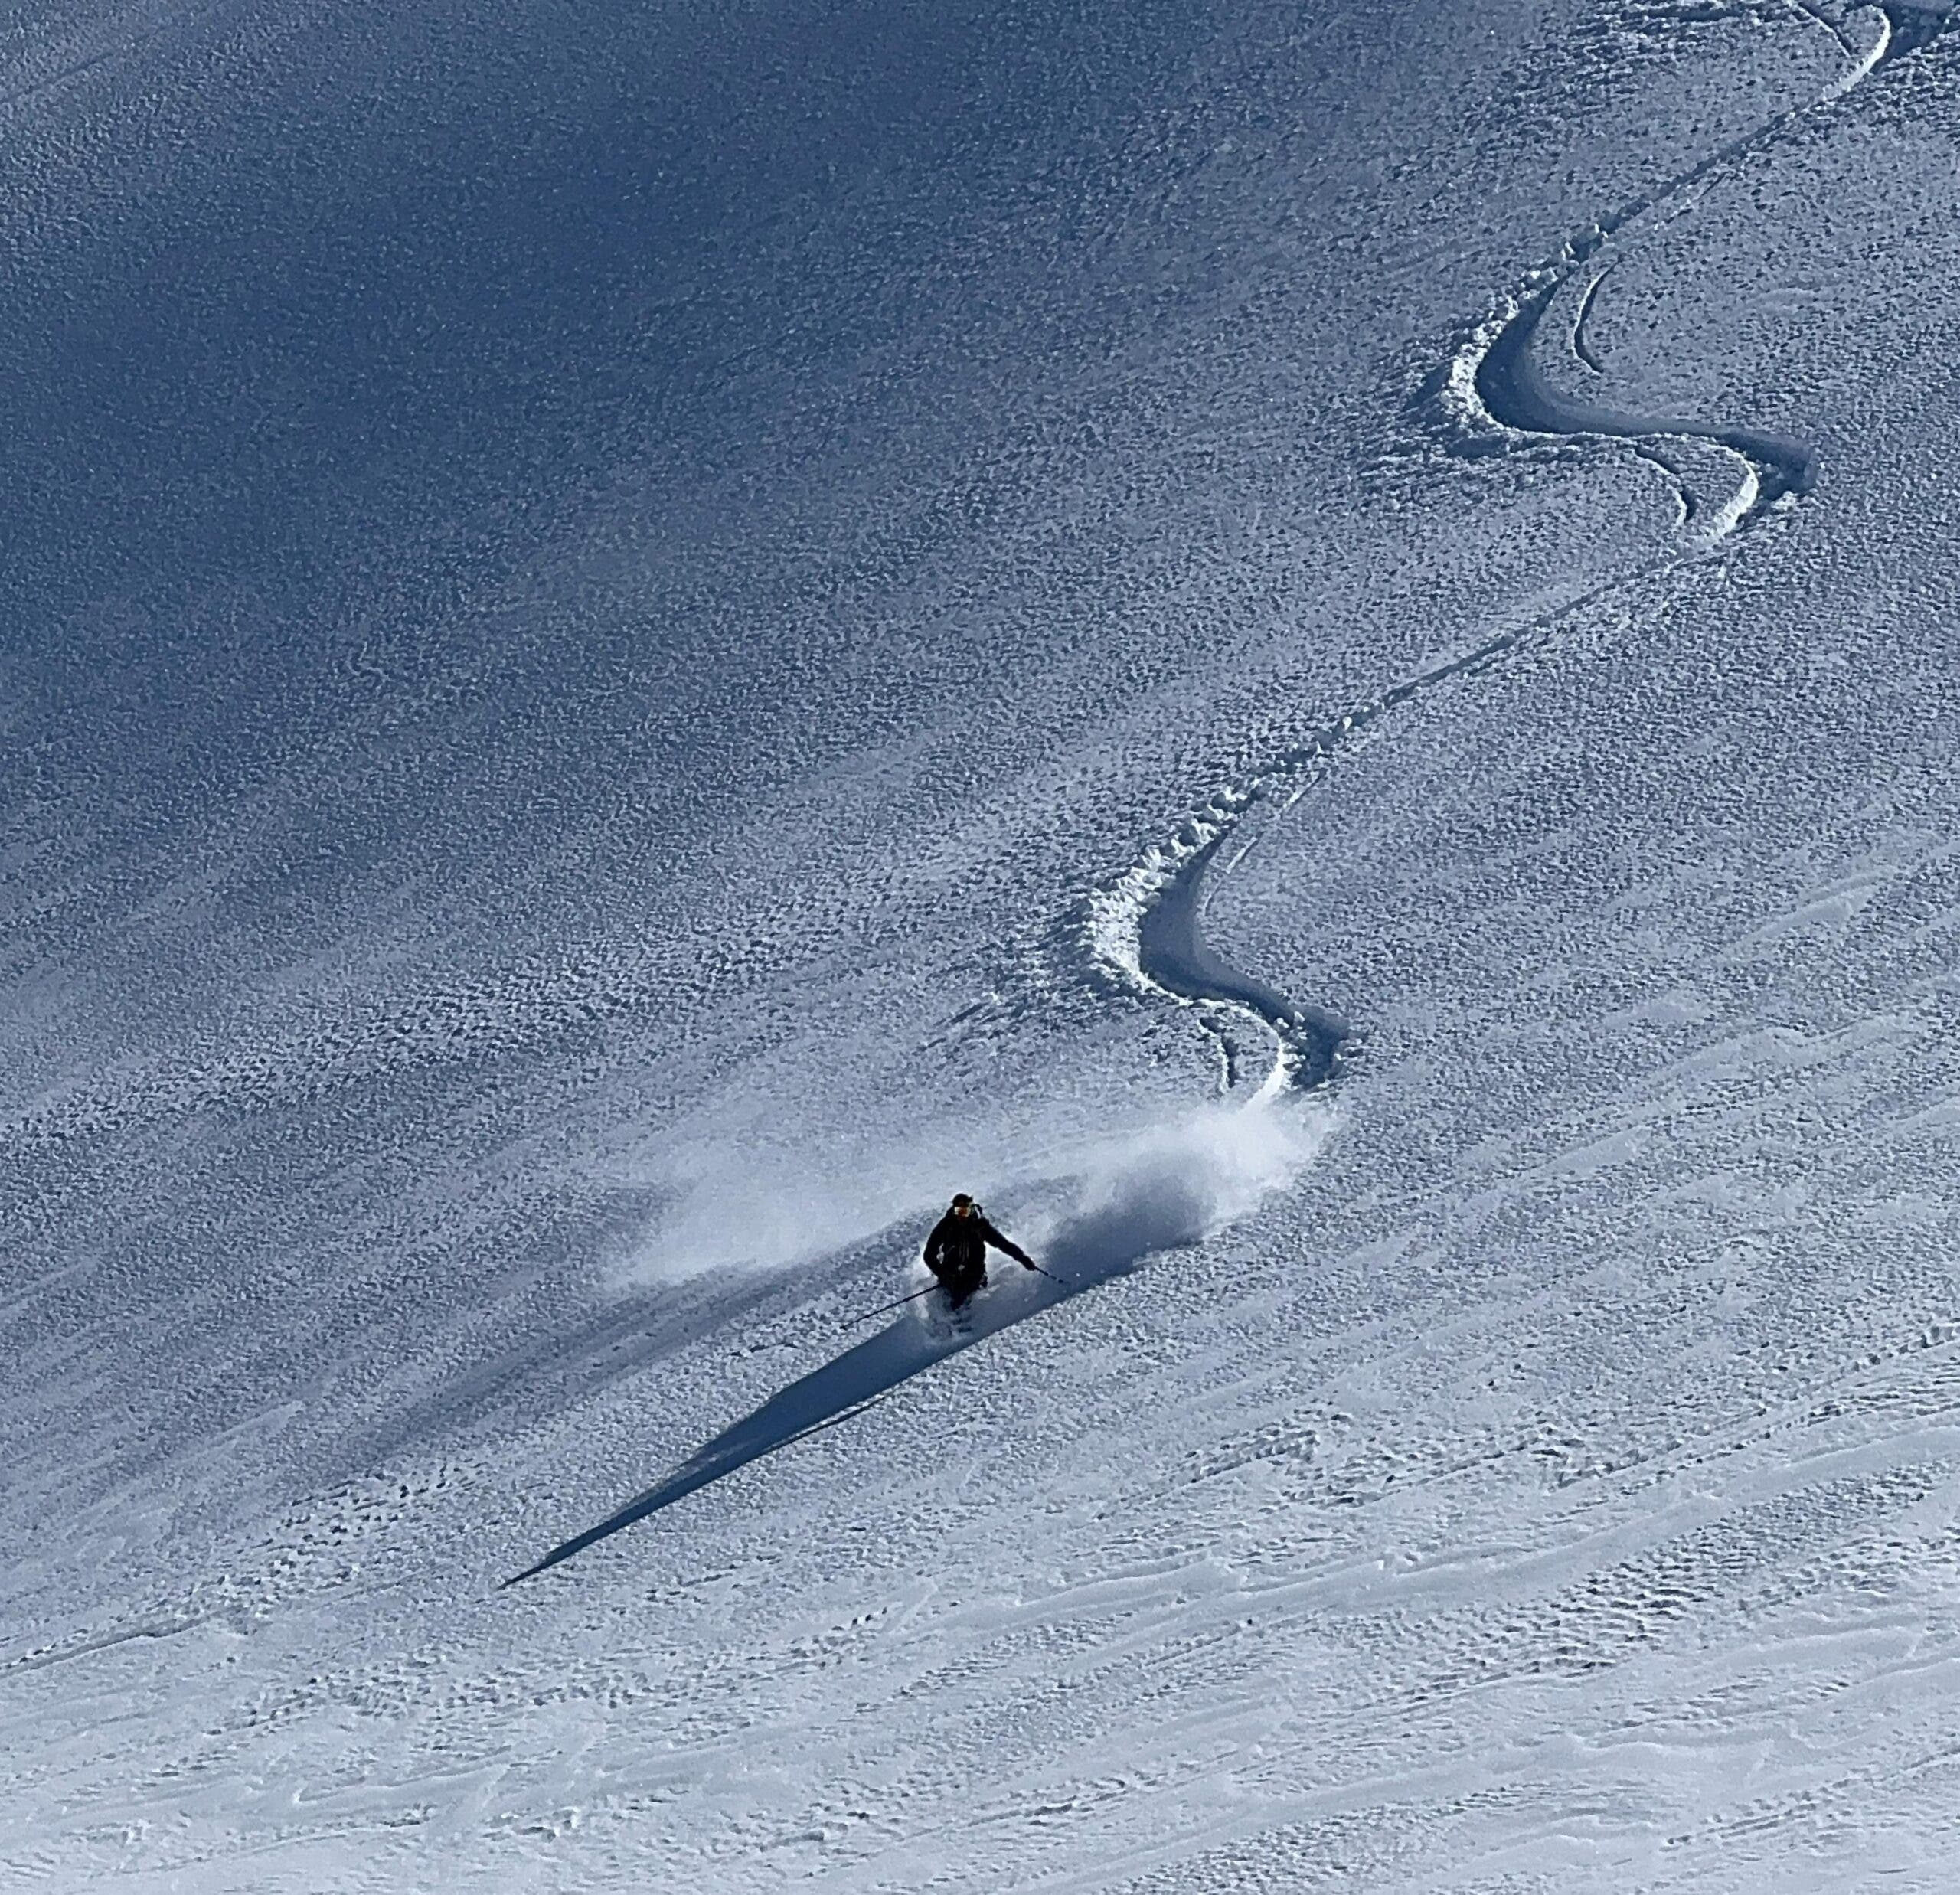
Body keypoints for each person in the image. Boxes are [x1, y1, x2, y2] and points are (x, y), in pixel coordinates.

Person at [923, 1192, 1036, 1305]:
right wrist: (943, 1274)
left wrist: (1023, 1258)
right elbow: (928, 1254)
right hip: (950, 1273)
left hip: (975, 1273)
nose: (961, 1216)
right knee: (949, 1300)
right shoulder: (946, 1226)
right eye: (958, 1211)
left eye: (965, 1211)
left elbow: (1003, 1244)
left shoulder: (980, 1227)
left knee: (966, 1296)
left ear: (971, 1210)